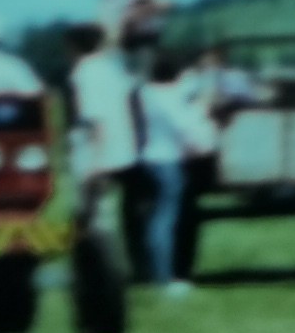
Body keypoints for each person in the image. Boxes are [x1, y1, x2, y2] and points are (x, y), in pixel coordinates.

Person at [136, 48, 223, 299]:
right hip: (169, 161)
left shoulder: (147, 93)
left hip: (150, 159)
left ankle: (157, 272)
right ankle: (165, 278)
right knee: (166, 220)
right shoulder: (169, 98)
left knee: (158, 218)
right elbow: (185, 128)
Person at [64, 21, 148, 251]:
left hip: (98, 153)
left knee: (95, 214)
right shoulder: (114, 69)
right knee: (125, 213)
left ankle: (97, 264)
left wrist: (95, 161)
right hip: (126, 151)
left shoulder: (83, 73)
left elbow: (94, 118)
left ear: (74, 47)